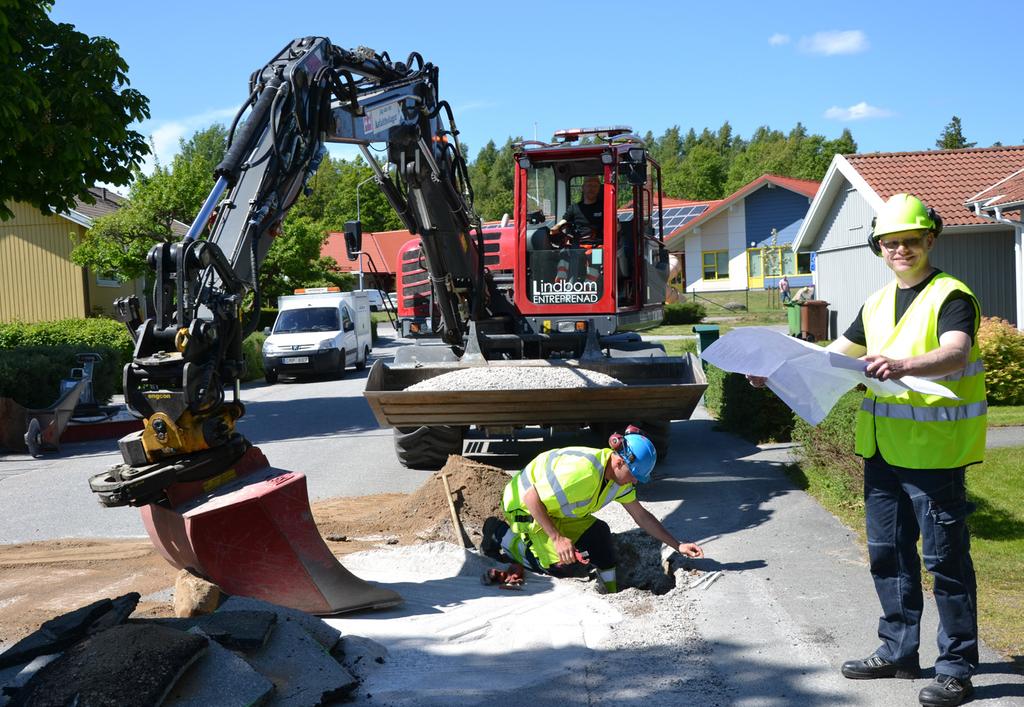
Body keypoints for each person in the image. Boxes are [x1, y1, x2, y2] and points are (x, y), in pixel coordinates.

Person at [753, 193, 984, 707]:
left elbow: (954, 353)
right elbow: (832, 359)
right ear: (878, 247)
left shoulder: (952, 295)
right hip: (881, 451)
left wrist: (902, 366)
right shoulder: (876, 303)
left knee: (945, 561)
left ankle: (956, 667)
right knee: (888, 556)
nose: (900, 249)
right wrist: (776, 371)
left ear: (930, 240)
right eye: (890, 242)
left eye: (910, 241)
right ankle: (899, 650)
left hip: (934, 454)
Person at [481, 426, 704, 594]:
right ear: (619, 463)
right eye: (634, 475)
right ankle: (499, 534)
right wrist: (557, 538)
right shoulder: (582, 474)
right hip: (524, 507)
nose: (635, 482)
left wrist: (678, 544)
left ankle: (611, 589)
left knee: (599, 534)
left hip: (553, 509)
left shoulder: (618, 481)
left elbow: (642, 516)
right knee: (558, 566)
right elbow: (531, 496)